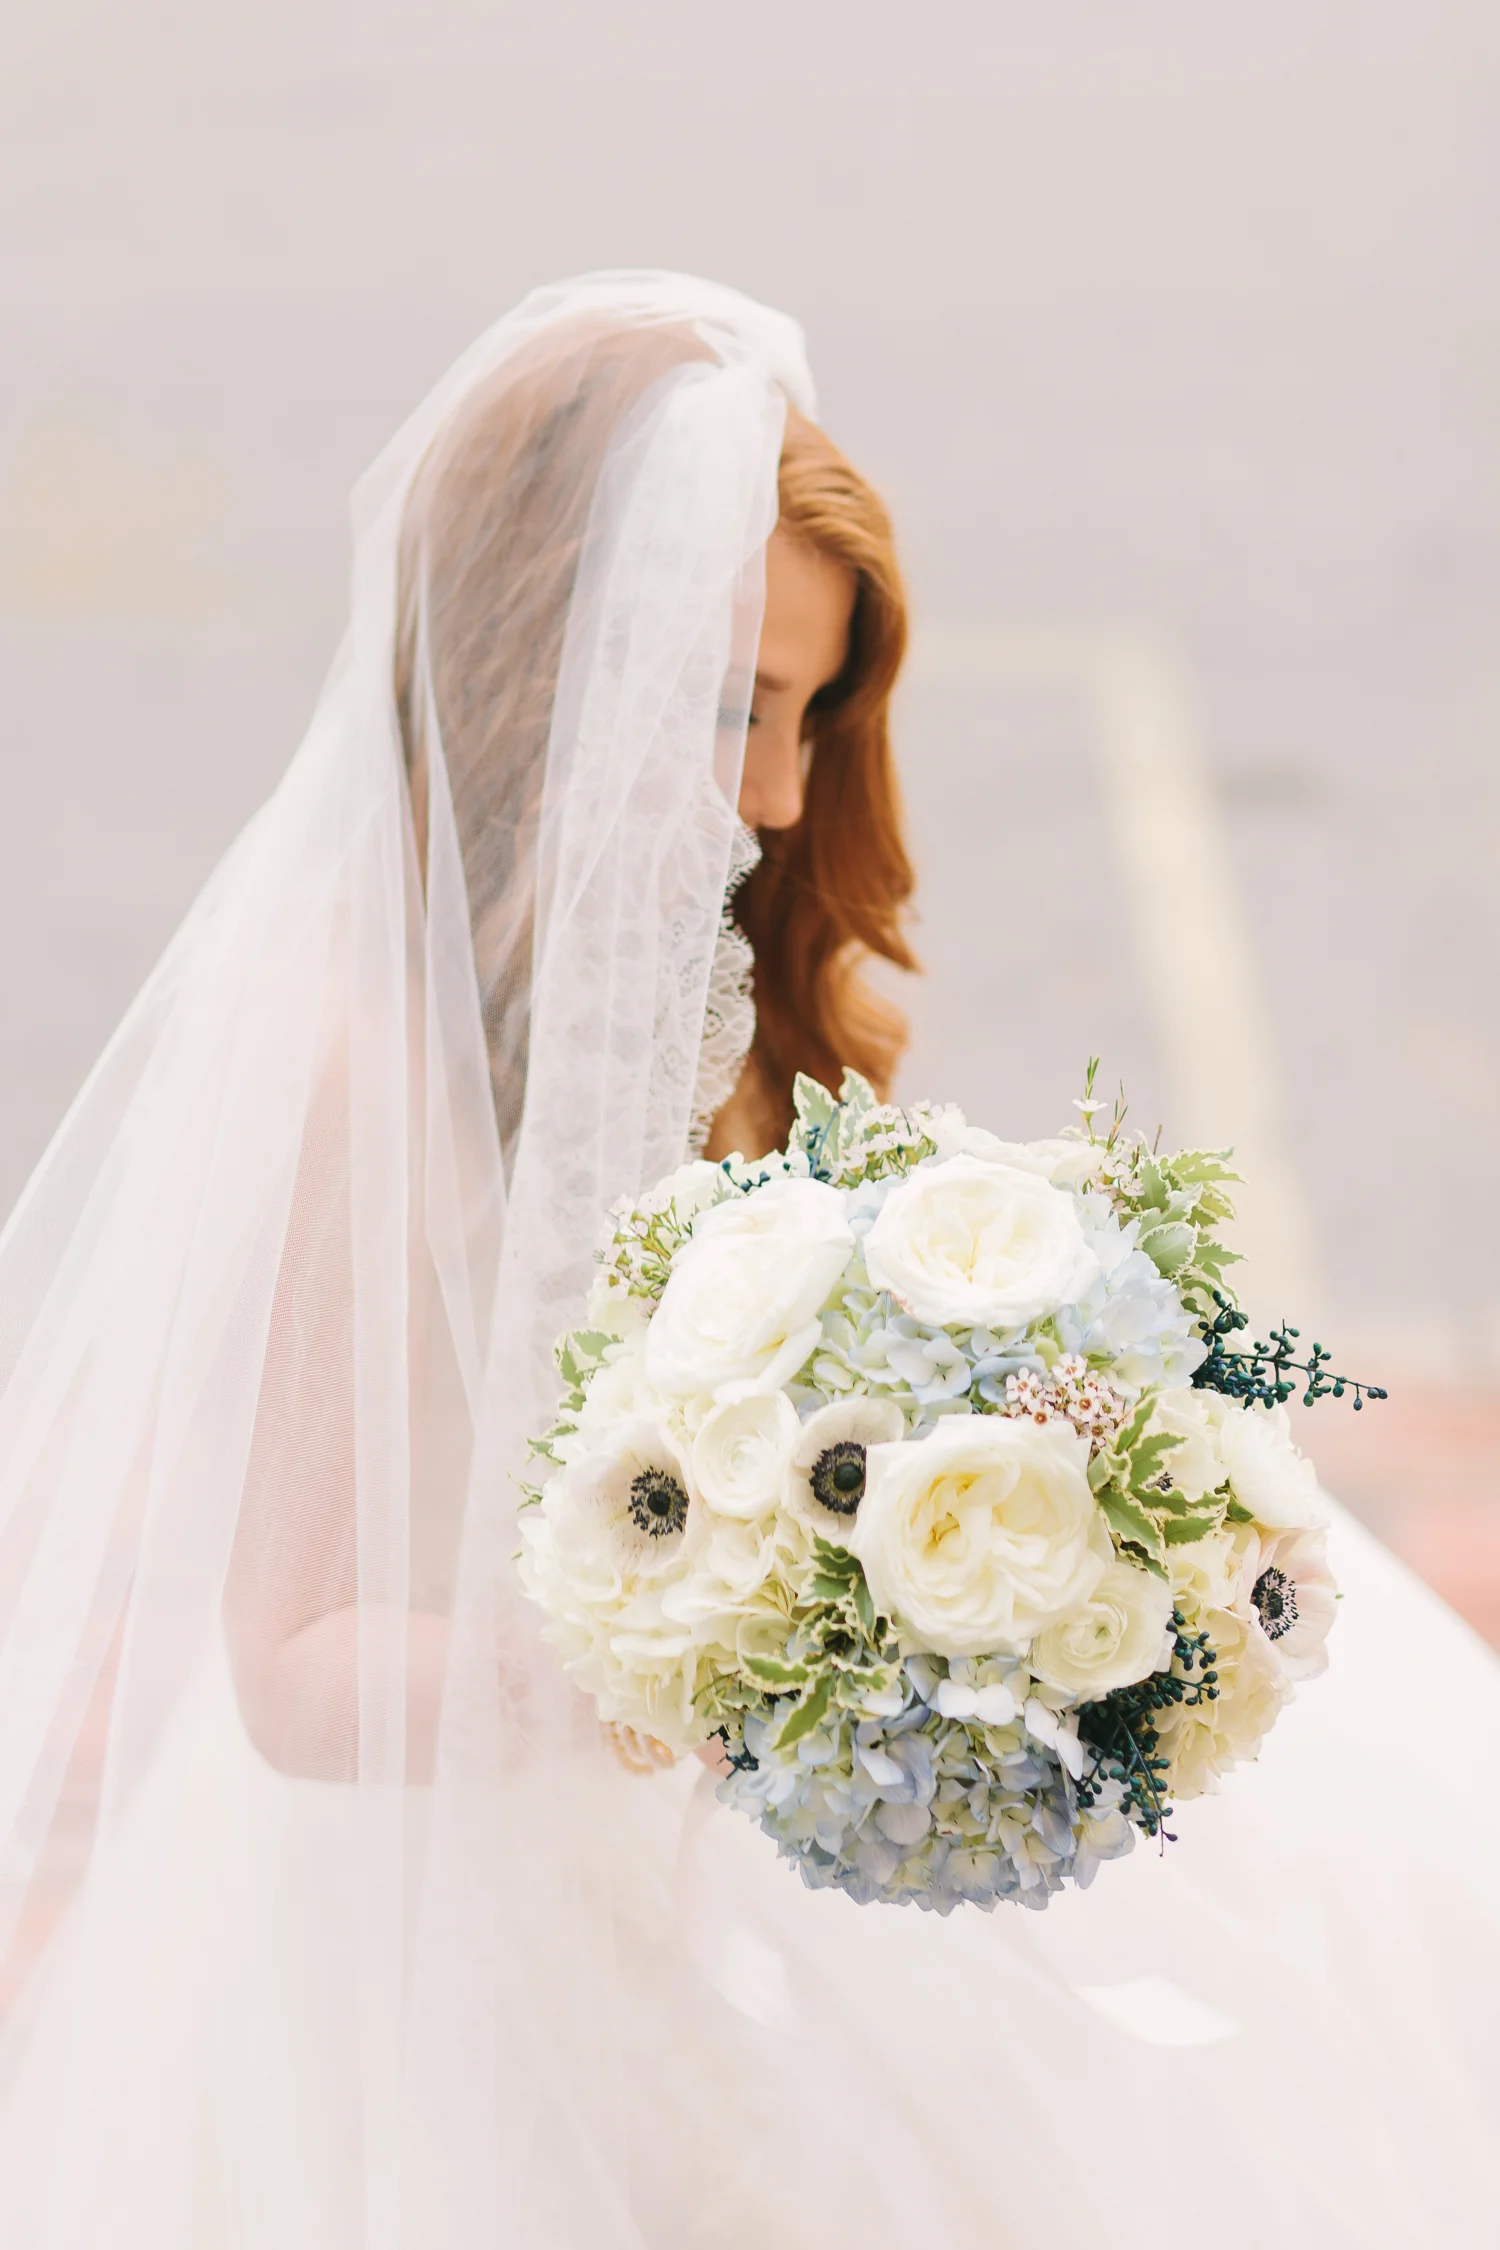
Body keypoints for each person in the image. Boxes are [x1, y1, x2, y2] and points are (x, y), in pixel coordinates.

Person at [0, 271, 1493, 2249]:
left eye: (807, 713)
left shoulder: (700, 970)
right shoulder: (349, 1052)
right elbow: (288, 1673)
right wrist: (731, 1671)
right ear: (541, 657)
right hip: (469, 1912)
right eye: (732, 709)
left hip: (737, 1819)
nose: (783, 793)